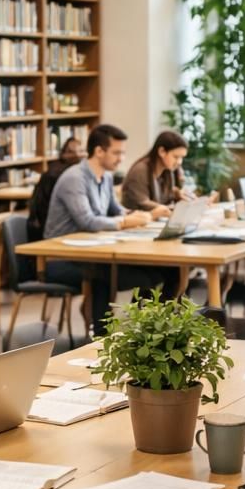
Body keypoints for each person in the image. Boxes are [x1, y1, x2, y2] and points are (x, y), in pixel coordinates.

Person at [43, 124, 172, 335]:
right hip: (61, 257)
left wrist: (134, 216)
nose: (121, 158)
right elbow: (87, 221)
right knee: (108, 275)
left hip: (92, 253)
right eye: (117, 153)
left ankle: (148, 335)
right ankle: (102, 338)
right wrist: (124, 222)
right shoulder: (74, 178)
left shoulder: (106, 176)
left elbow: (115, 209)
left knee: (157, 272)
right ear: (99, 151)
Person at [27, 135, 84, 242]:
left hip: (46, 230)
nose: (80, 155)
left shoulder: (57, 170)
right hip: (50, 235)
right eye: (77, 152)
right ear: (65, 154)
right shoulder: (65, 176)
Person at [121, 130, 188, 209]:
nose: (179, 162)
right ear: (162, 151)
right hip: (138, 218)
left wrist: (179, 196)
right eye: (176, 157)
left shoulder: (168, 171)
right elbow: (142, 203)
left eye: (181, 158)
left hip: (156, 220)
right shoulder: (140, 170)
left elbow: (168, 198)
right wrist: (171, 209)